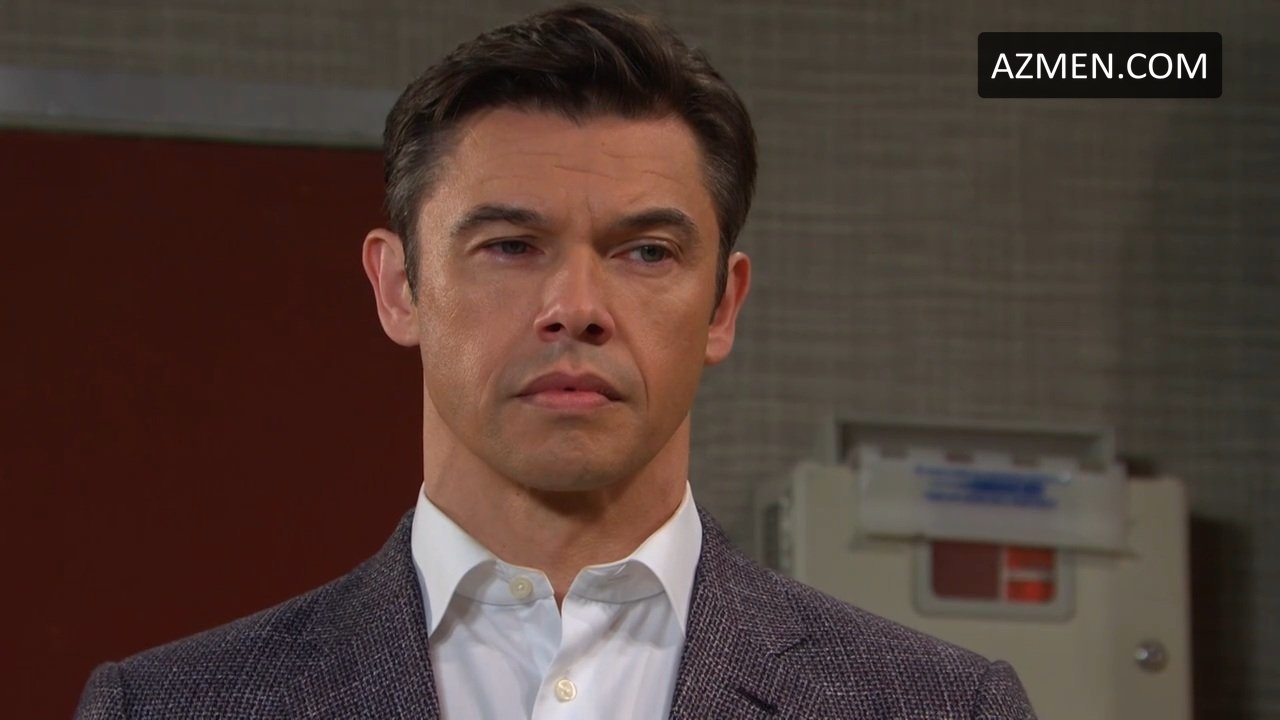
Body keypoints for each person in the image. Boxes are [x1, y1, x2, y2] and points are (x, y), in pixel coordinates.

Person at [76, 3, 1036, 718]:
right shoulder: (166, 708)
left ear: (723, 305)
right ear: (399, 287)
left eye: (646, 252)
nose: (575, 308)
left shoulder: (940, 709)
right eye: (510, 246)